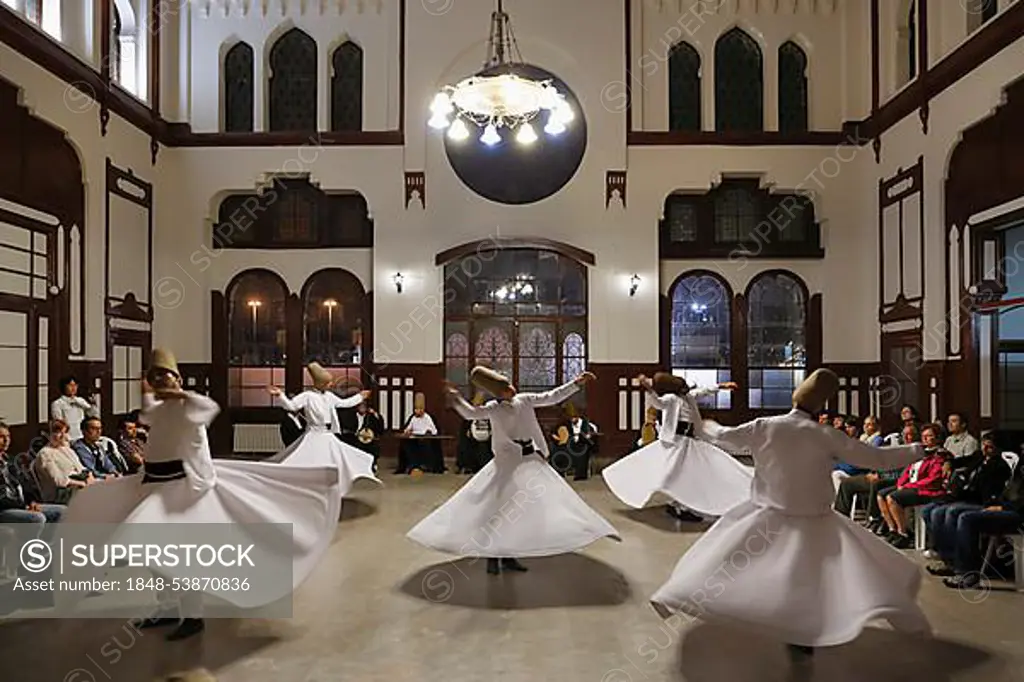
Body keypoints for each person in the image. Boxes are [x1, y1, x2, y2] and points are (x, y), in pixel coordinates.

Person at [56, 349, 344, 641]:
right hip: (152, 485)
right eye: (155, 377)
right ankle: (167, 606)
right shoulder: (161, 408)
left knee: (179, 555)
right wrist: (151, 391)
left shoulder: (189, 406)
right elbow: (149, 413)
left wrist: (197, 488)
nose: (160, 382)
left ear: (178, 379)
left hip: (179, 489)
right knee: (156, 554)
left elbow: (207, 411)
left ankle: (192, 616)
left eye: (166, 376)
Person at [650, 369, 928, 660]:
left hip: (767, 514)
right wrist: (918, 450)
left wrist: (705, 425)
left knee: (733, 564)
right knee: (807, 578)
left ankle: (764, 616)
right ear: (820, 405)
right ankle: (801, 631)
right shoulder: (824, 434)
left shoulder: (766, 426)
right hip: (813, 519)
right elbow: (877, 459)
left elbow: (724, 437)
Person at [408, 366, 620, 575]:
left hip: (529, 459)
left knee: (524, 509)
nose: (512, 388)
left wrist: (577, 383)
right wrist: (455, 397)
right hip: (505, 463)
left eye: (510, 384)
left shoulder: (525, 400)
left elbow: (552, 396)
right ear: (499, 393)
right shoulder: (493, 408)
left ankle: (509, 554)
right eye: (506, 387)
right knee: (498, 509)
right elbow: (470, 414)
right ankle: (492, 556)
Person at [602, 373, 751, 522]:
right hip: (675, 442)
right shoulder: (671, 399)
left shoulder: (688, 397)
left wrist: (720, 386)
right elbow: (658, 403)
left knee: (687, 474)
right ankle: (679, 506)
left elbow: (703, 391)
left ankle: (679, 504)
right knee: (674, 473)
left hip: (689, 442)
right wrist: (649, 390)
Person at [266, 363, 380, 498]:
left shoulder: (329, 396)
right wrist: (280, 395)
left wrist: (360, 397)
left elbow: (344, 403)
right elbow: (292, 406)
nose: (331, 384)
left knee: (338, 460)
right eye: (328, 382)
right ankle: (308, 490)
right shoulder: (307, 396)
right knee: (309, 463)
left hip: (328, 435)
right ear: (320, 383)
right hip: (314, 435)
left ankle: (332, 490)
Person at [0, 422, 65, 536]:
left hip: (21, 504)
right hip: (5, 509)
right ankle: (29, 552)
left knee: (62, 511)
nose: (6, 440)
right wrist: (23, 506)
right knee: (36, 518)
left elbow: (24, 484)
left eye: (8, 436)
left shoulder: (9, 461)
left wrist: (32, 502)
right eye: (1, 437)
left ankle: (45, 548)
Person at [33, 420, 96, 503]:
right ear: (48, 435)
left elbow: (81, 468)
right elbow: (59, 481)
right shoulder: (45, 454)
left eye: (65, 432)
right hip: (61, 494)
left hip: (79, 486)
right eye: (58, 432)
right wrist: (82, 484)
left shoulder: (67, 450)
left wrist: (89, 476)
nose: (63, 436)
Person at [397, 393, 444, 474]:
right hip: (414, 438)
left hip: (425, 439)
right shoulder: (413, 418)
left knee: (425, 444)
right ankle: (412, 465)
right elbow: (407, 428)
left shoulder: (428, 418)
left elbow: (435, 431)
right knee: (406, 444)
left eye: (419, 409)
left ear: (422, 409)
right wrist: (407, 431)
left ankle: (425, 465)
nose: (417, 411)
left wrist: (428, 432)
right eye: (416, 409)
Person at [339, 400, 385, 472]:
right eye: (360, 406)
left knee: (373, 446)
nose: (362, 408)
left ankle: (372, 465)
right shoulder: (350, 416)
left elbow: (380, 429)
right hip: (354, 438)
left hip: (367, 440)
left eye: (364, 406)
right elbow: (346, 428)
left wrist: (376, 415)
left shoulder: (371, 417)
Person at [50, 376, 99, 441]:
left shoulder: (80, 400)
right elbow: (58, 422)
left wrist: (92, 404)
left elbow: (94, 415)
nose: (73, 388)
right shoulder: (57, 403)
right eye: (70, 385)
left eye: (75, 385)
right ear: (64, 387)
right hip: (67, 436)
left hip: (81, 435)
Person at [455, 393, 493, 474]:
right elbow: (465, 427)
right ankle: (467, 466)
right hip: (472, 436)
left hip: (486, 437)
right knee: (465, 444)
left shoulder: (487, 411)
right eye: (477, 403)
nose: (478, 405)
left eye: (480, 403)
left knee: (485, 447)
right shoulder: (470, 412)